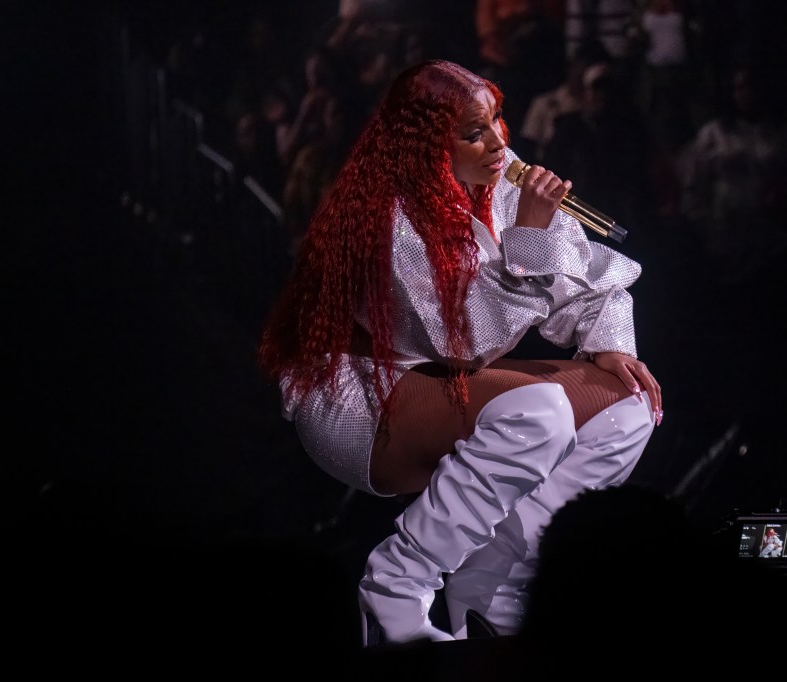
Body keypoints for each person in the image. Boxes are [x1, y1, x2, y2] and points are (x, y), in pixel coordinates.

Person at [256, 59, 662, 647]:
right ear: (426, 144)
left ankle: (495, 578)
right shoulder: (389, 217)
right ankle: (395, 588)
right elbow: (464, 341)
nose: (499, 141)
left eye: (497, 119)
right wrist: (530, 235)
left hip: (448, 376)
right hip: (360, 394)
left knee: (631, 402)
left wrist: (606, 344)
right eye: (473, 132)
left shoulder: (505, 192)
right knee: (539, 412)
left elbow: (596, 285)